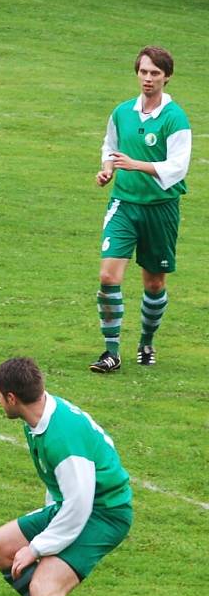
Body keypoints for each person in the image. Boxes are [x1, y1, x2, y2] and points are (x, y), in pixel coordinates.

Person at [0, 357, 133, 596]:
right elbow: (64, 490)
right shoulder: (37, 416)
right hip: (72, 505)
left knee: (45, 584)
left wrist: (37, 547)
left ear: (12, 398)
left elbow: (80, 504)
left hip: (104, 514)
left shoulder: (61, 437)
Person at [90, 45, 191, 373]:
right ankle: (111, 351)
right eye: (144, 72)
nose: (148, 79)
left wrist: (136, 164)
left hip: (160, 210)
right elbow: (111, 145)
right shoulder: (122, 112)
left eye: (155, 74)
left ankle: (146, 341)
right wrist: (109, 168)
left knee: (154, 284)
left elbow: (178, 167)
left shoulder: (176, 119)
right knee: (108, 275)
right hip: (124, 204)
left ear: (167, 77)